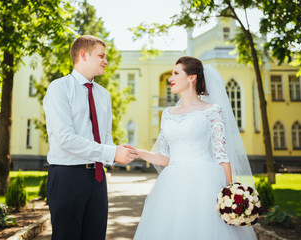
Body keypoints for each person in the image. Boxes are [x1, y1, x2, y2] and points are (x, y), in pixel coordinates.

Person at [132, 56, 257, 239]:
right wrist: (137, 152)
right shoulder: (168, 114)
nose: (170, 78)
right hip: (172, 184)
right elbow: (164, 158)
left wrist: (230, 194)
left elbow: (222, 157)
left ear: (192, 77)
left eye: (176, 73)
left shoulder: (212, 110)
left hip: (205, 182)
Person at [43, 35, 138, 240]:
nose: (106, 61)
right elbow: (65, 138)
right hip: (67, 178)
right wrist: (111, 152)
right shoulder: (59, 88)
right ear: (83, 55)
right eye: (101, 55)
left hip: (97, 179)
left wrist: (117, 153)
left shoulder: (104, 95)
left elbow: (105, 137)